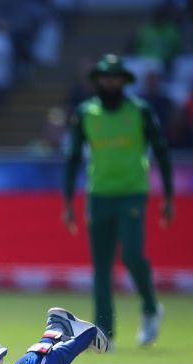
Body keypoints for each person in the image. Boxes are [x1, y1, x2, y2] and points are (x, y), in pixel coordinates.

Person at [63, 54, 174, 347]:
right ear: (98, 80)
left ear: (124, 81)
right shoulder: (87, 112)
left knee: (132, 254)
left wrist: (169, 197)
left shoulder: (140, 110)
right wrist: (68, 203)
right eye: (105, 77)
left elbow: (161, 151)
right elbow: (73, 158)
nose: (110, 82)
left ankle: (151, 308)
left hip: (132, 191)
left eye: (115, 77)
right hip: (98, 194)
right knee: (101, 267)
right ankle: (104, 333)